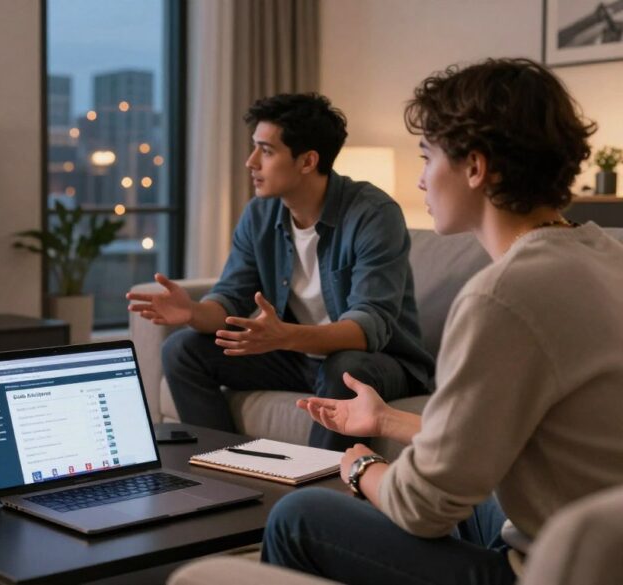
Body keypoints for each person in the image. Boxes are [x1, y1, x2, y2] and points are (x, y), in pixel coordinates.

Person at [261, 58, 623, 585]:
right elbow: (507, 434)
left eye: (427, 157)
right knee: (477, 502)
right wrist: (386, 422)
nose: (421, 179)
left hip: (545, 569)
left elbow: (421, 507)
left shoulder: (503, 296)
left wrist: (361, 468)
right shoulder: (603, 254)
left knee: (296, 518)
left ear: (475, 168)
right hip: (600, 551)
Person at [126, 93, 434, 450]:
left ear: (307, 161)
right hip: (298, 358)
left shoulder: (373, 214)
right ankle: (226, 469)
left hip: (382, 362)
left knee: (344, 369)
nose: (250, 162)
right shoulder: (260, 214)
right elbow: (230, 299)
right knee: (183, 350)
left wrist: (283, 335)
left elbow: (368, 328)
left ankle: (316, 495)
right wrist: (192, 312)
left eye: (266, 151)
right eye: (254, 148)